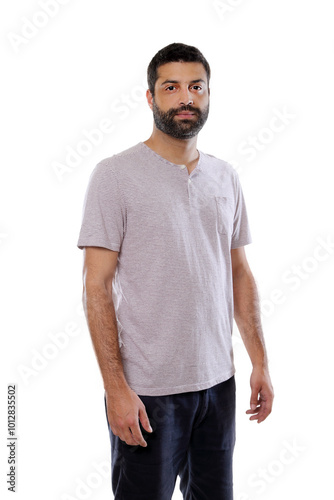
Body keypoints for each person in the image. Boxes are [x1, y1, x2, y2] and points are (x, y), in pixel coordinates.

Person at [77, 42, 274, 500]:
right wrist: (116, 389)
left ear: (207, 95)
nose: (186, 97)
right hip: (148, 393)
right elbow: (96, 286)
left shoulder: (226, 177)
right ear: (151, 97)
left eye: (196, 87)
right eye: (172, 87)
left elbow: (239, 273)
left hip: (218, 387)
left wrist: (259, 362)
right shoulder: (115, 176)